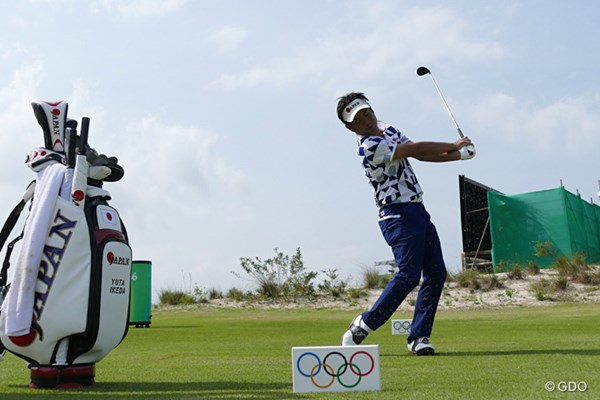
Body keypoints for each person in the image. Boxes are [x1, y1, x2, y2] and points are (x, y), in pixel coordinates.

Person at [336, 92, 475, 355]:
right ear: (349, 127)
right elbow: (414, 149)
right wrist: (455, 146)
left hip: (416, 209)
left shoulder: (388, 129)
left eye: (367, 112)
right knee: (409, 274)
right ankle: (364, 323)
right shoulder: (368, 146)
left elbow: (422, 155)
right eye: (358, 119)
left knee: (435, 273)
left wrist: (458, 156)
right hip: (395, 214)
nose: (366, 120)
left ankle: (418, 337)